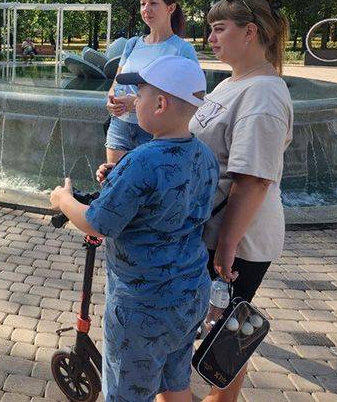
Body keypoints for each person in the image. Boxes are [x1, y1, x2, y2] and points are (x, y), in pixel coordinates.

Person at [51, 56, 219, 402]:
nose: (134, 101)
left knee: (127, 393)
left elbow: (98, 222)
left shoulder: (142, 160)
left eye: (139, 94)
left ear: (160, 104)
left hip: (143, 306)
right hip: (190, 292)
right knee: (176, 382)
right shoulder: (204, 155)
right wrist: (119, 178)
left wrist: (63, 199)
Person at [189, 0, 293, 402]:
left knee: (224, 336)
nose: (210, 38)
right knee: (222, 329)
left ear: (249, 32)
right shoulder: (235, 82)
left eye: (219, 29)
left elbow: (253, 179)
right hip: (218, 230)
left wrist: (226, 245)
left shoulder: (264, 94)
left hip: (239, 239)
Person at [106, 0, 198, 164]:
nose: (146, 8)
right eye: (143, 3)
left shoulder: (183, 50)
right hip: (120, 127)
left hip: (156, 133)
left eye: (154, 3)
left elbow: (193, 100)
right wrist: (111, 102)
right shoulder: (132, 44)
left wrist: (138, 103)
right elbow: (115, 85)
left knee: (148, 190)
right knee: (113, 185)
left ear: (170, 8)